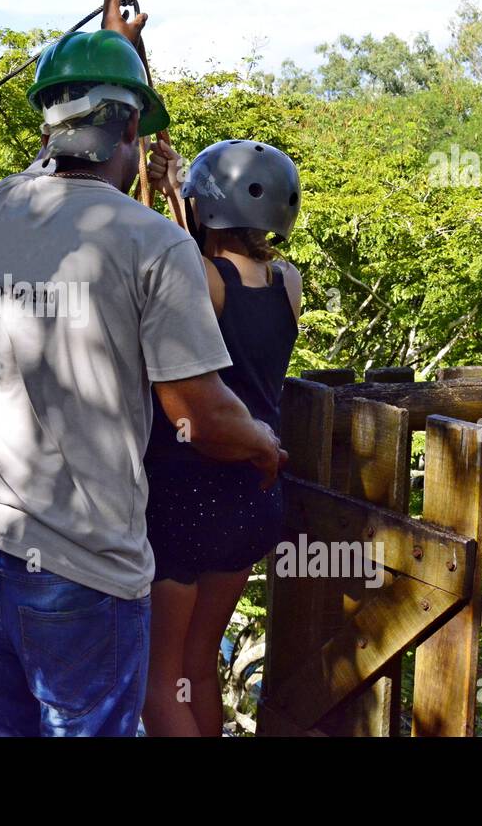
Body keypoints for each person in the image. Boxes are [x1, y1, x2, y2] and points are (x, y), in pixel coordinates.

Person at [0, 0, 288, 737]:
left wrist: (117, 59)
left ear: (48, 122)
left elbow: (69, 162)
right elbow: (199, 416)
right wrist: (264, 444)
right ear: (133, 125)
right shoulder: (154, 241)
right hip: (83, 560)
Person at [139, 137, 304, 736]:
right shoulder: (289, 282)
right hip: (252, 496)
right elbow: (201, 261)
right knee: (197, 666)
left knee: (156, 684)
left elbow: (181, 269)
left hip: (184, 495)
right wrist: (179, 192)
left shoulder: (200, 278)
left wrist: (172, 195)